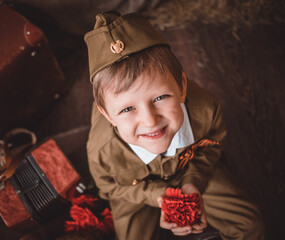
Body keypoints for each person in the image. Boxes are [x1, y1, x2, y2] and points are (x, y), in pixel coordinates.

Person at [84, 11, 264, 240]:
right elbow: (109, 187)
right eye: (127, 109)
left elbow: (212, 146)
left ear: (182, 86)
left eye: (160, 98)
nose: (150, 121)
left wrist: (193, 181)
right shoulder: (102, 152)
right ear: (108, 116)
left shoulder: (207, 109)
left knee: (250, 225)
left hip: (189, 171)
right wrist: (157, 196)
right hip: (136, 191)